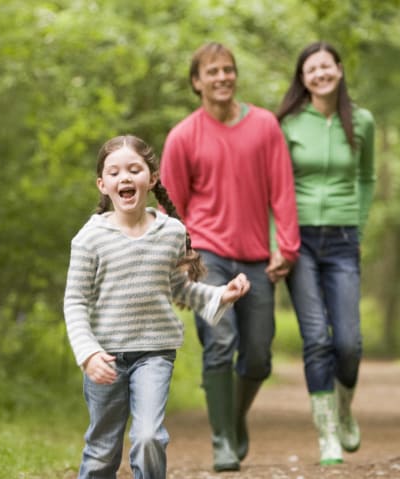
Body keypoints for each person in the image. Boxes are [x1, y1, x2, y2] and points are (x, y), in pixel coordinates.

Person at [63, 135, 251, 479]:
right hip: (105, 357)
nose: (125, 177)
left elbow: (178, 287)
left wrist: (220, 295)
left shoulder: (171, 232)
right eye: (115, 172)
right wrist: (88, 354)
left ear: (151, 179)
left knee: (149, 437)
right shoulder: (88, 239)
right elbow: (74, 301)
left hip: (155, 353)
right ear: (102, 185)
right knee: (104, 449)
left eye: (134, 169)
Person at [160, 42, 301, 472]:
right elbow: (171, 207)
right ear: (196, 82)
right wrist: (180, 261)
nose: (222, 77)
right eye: (212, 71)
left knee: (258, 354)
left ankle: (233, 418)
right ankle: (222, 439)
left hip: (257, 257)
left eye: (228, 70)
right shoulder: (184, 136)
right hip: (207, 257)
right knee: (220, 343)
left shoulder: (264, 126)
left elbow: (282, 189)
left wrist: (287, 247)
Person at [275, 41, 375, 465]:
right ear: (302, 78)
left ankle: (344, 409)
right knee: (316, 338)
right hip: (299, 241)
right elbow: (275, 186)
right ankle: (327, 434)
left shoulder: (363, 121)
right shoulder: (289, 124)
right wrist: (277, 241)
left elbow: (367, 177)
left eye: (325, 66)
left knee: (348, 342)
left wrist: (358, 222)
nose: (319, 74)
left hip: (342, 239)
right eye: (310, 69)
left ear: (339, 69)